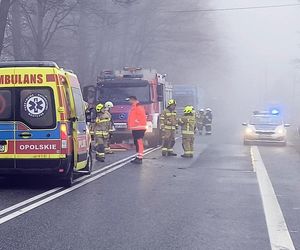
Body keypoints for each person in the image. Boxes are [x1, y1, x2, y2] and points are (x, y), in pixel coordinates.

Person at [127, 96, 147, 164]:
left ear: (133, 100)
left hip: (139, 128)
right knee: (137, 143)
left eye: (129, 100)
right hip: (136, 128)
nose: (129, 101)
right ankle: (138, 156)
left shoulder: (138, 107)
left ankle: (140, 157)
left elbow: (141, 117)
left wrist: (136, 122)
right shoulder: (135, 106)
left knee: (139, 142)